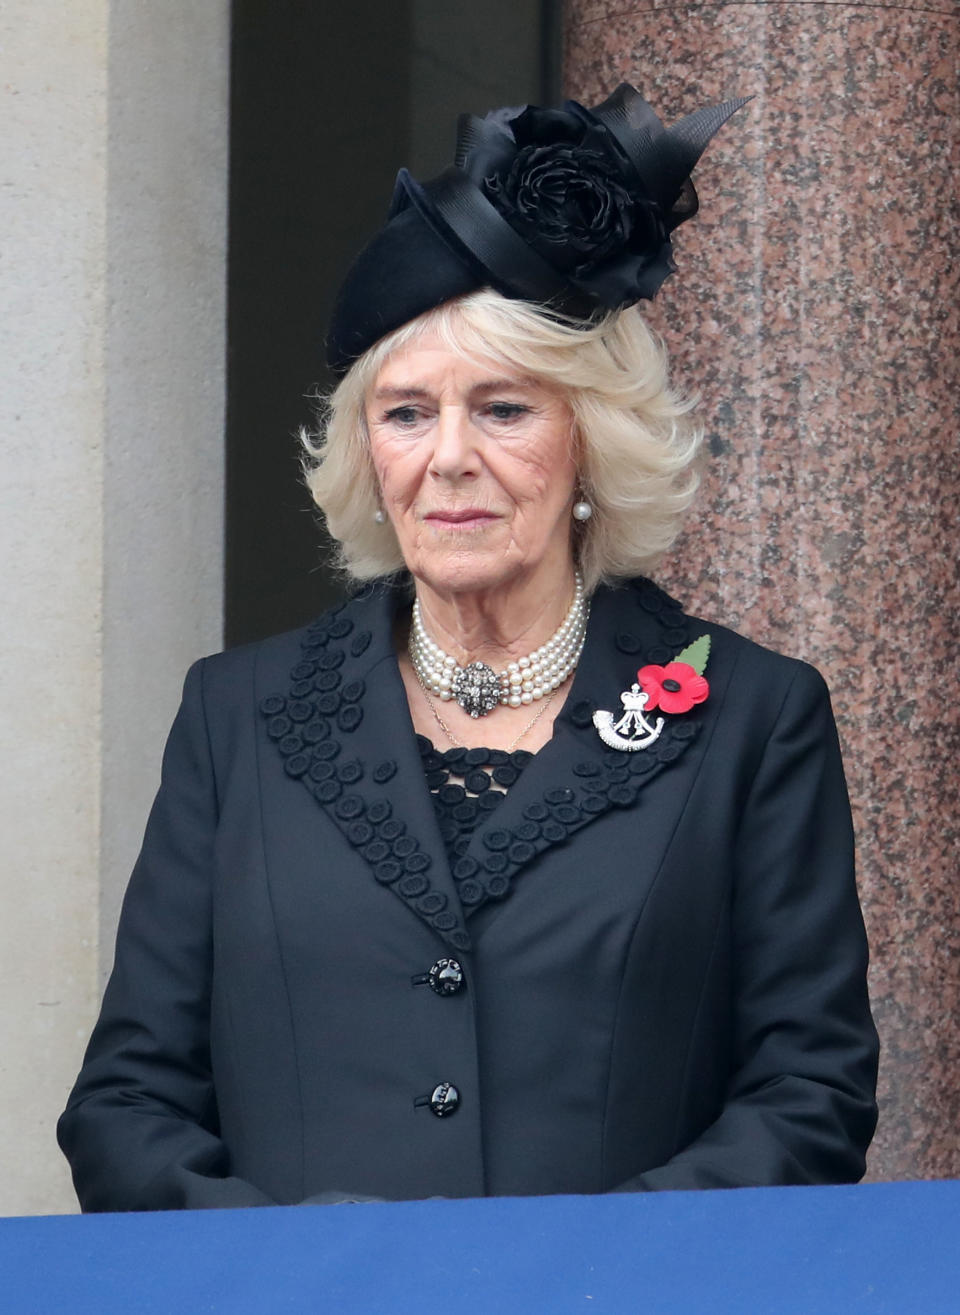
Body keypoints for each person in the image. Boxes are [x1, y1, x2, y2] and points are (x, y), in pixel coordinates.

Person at [58, 84, 879, 1211]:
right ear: (368, 454)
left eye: (503, 409)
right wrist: (300, 1270)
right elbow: (127, 1104)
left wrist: (560, 1276)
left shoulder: (754, 717)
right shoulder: (234, 715)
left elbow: (811, 1092)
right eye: (405, 413)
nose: (447, 458)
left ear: (591, 442)